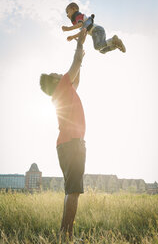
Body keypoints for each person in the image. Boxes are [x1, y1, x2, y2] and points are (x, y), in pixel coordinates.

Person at [40, 29, 87, 239]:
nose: (62, 74)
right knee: (73, 191)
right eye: (58, 74)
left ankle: (63, 233)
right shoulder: (60, 87)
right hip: (71, 144)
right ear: (55, 81)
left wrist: (81, 58)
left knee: (71, 190)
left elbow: (76, 79)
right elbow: (74, 65)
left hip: (67, 144)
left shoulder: (63, 91)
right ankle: (66, 235)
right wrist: (80, 43)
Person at [62, 2, 126, 54]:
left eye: (68, 12)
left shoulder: (78, 15)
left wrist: (68, 29)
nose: (67, 15)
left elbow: (80, 24)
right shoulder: (80, 23)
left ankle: (113, 40)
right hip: (98, 31)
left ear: (73, 9)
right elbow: (82, 33)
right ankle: (115, 45)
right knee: (102, 50)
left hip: (96, 30)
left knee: (97, 47)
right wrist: (73, 37)